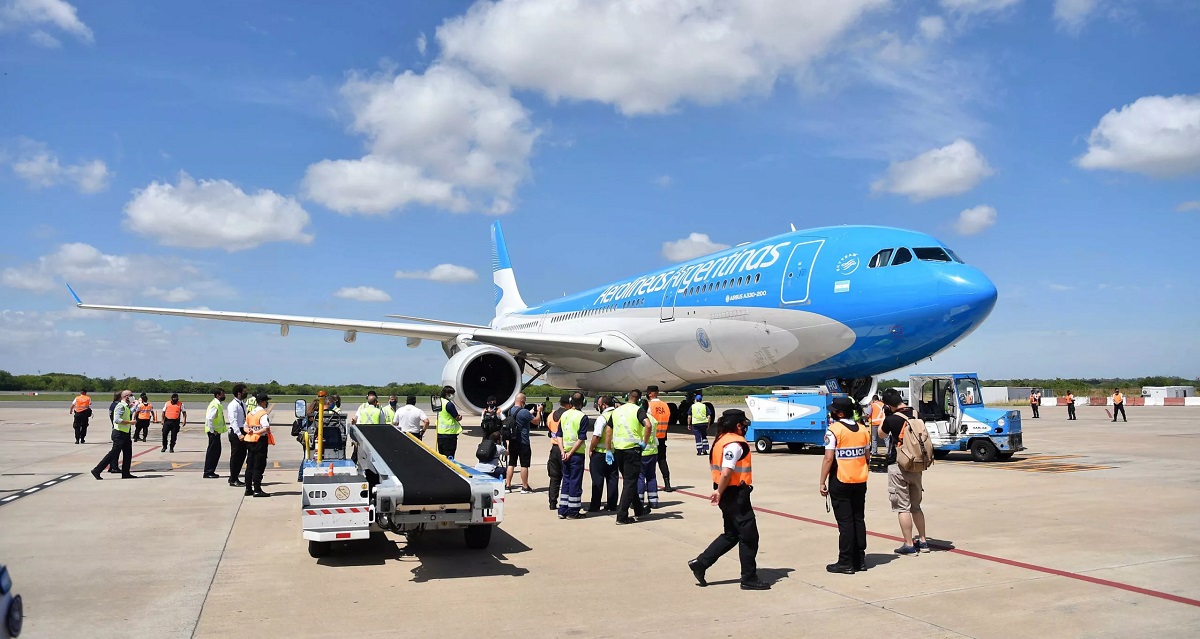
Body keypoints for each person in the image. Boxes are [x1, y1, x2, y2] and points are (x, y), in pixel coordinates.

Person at [687, 409, 770, 590]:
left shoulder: (721, 439)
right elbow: (727, 471)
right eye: (744, 425)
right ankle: (749, 578)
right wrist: (720, 492)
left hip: (727, 493)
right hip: (734, 495)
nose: (745, 429)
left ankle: (701, 563)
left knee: (732, 534)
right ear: (738, 426)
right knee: (749, 537)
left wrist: (719, 491)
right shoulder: (734, 444)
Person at [820, 396, 871, 574]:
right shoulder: (863, 430)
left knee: (845, 522)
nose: (831, 413)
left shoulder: (833, 430)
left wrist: (822, 481)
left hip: (841, 480)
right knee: (858, 519)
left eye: (833, 410)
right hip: (860, 480)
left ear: (840, 413)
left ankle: (846, 562)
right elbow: (867, 456)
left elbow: (828, 458)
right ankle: (860, 560)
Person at [879, 388, 928, 556]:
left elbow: (880, 434)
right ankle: (923, 541)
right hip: (917, 464)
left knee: (903, 507)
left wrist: (886, 416)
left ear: (887, 404)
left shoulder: (891, 419)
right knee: (916, 506)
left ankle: (908, 544)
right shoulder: (917, 414)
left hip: (898, 464)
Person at [604, 389, 655, 525]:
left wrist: (608, 449)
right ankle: (621, 516)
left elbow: (608, 430)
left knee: (629, 481)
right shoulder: (638, 410)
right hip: (632, 451)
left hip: (618, 450)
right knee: (630, 483)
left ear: (627, 397)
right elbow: (648, 425)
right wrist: (644, 442)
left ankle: (638, 510)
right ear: (638, 399)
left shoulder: (616, 411)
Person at [556, 394, 590, 519]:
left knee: (566, 481)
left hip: (564, 453)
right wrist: (570, 453)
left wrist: (562, 451)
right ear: (583, 403)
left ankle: (562, 510)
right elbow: (581, 438)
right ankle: (573, 511)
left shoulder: (564, 414)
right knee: (575, 482)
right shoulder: (582, 417)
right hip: (576, 454)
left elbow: (558, 434)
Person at [91, 390, 136, 480]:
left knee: (128, 454)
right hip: (119, 433)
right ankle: (97, 470)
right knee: (113, 453)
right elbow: (117, 420)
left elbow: (128, 413)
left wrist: (135, 407)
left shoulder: (126, 406)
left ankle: (126, 473)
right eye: (131, 395)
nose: (133, 397)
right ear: (126, 396)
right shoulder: (120, 406)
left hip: (125, 433)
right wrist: (130, 422)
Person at [587, 395, 619, 512]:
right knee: (613, 479)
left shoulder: (603, 418)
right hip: (615, 453)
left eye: (599, 405)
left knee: (597, 480)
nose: (598, 407)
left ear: (604, 405)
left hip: (600, 454)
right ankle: (612, 504)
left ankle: (595, 505)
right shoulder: (618, 416)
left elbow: (596, 436)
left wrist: (591, 449)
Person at [504, 393, 540, 493]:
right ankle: (524, 486)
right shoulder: (524, 412)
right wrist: (539, 412)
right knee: (524, 465)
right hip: (523, 442)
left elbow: (522, 416)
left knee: (511, 463)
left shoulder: (510, 411)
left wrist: (530, 412)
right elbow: (536, 421)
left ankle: (508, 485)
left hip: (513, 441)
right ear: (522, 401)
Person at [243, 393, 272, 497]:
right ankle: (257, 489)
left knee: (249, 464)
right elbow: (266, 427)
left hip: (250, 441)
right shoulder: (262, 414)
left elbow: (245, 426)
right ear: (263, 402)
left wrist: (250, 431)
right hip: (260, 440)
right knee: (258, 465)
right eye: (266, 401)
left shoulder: (251, 413)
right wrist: (257, 432)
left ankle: (248, 488)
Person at [545, 395, 570, 511]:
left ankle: (552, 502)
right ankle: (566, 501)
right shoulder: (567, 416)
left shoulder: (551, 415)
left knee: (554, 478)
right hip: (564, 448)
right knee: (567, 477)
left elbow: (550, 432)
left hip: (554, 448)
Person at [646, 386, 673, 492]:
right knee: (662, 460)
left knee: (648, 462)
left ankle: (649, 484)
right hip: (663, 436)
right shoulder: (665, 405)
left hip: (651, 438)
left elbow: (647, 421)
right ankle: (667, 484)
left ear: (650, 394)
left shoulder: (649, 405)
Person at [226, 383, 249, 488]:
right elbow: (233, 421)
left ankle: (235, 477)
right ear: (239, 393)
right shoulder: (233, 405)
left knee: (242, 456)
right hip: (236, 432)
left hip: (243, 430)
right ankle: (233, 479)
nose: (246, 393)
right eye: (245, 391)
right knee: (236, 457)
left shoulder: (243, 404)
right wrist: (239, 434)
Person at [203, 388, 227, 479]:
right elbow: (209, 418)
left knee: (216, 451)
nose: (224, 396)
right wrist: (213, 431)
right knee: (213, 452)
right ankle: (208, 471)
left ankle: (211, 471)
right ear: (218, 395)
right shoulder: (215, 405)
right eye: (223, 394)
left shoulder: (217, 404)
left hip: (216, 432)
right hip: (213, 433)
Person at [638, 419, 660, 511]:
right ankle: (653, 501)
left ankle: (639, 501)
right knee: (651, 476)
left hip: (643, 452)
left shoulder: (639, 418)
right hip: (653, 451)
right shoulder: (653, 419)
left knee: (640, 477)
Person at [436, 386, 463, 458]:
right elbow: (456, 417)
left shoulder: (438, 402)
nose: (453, 396)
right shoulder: (449, 404)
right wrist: (460, 417)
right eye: (452, 394)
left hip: (440, 433)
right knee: (449, 457)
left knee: (442, 457)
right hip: (449, 434)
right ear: (447, 394)